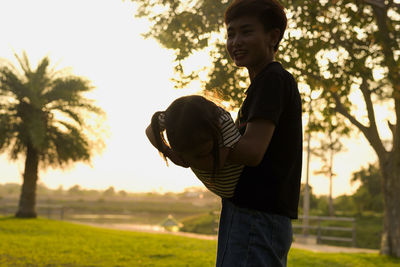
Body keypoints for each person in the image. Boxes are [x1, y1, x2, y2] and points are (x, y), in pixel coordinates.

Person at [212, 0, 303, 266]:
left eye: (246, 31)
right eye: (231, 33)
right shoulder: (262, 84)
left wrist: (204, 142)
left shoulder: (272, 80)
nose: (235, 41)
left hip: (256, 218)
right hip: (252, 216)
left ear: (272, 37)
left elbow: (252, 152)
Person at [145, 95, 244, 198]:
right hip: (227, 197)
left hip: (245, 187)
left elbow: (215, 164)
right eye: (183, 153)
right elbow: (150, 130)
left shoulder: (223, 121)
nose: (191, 157)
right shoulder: (174, 118)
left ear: (214, 131)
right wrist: (168, 152)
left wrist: (185, 160)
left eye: (200, 155)